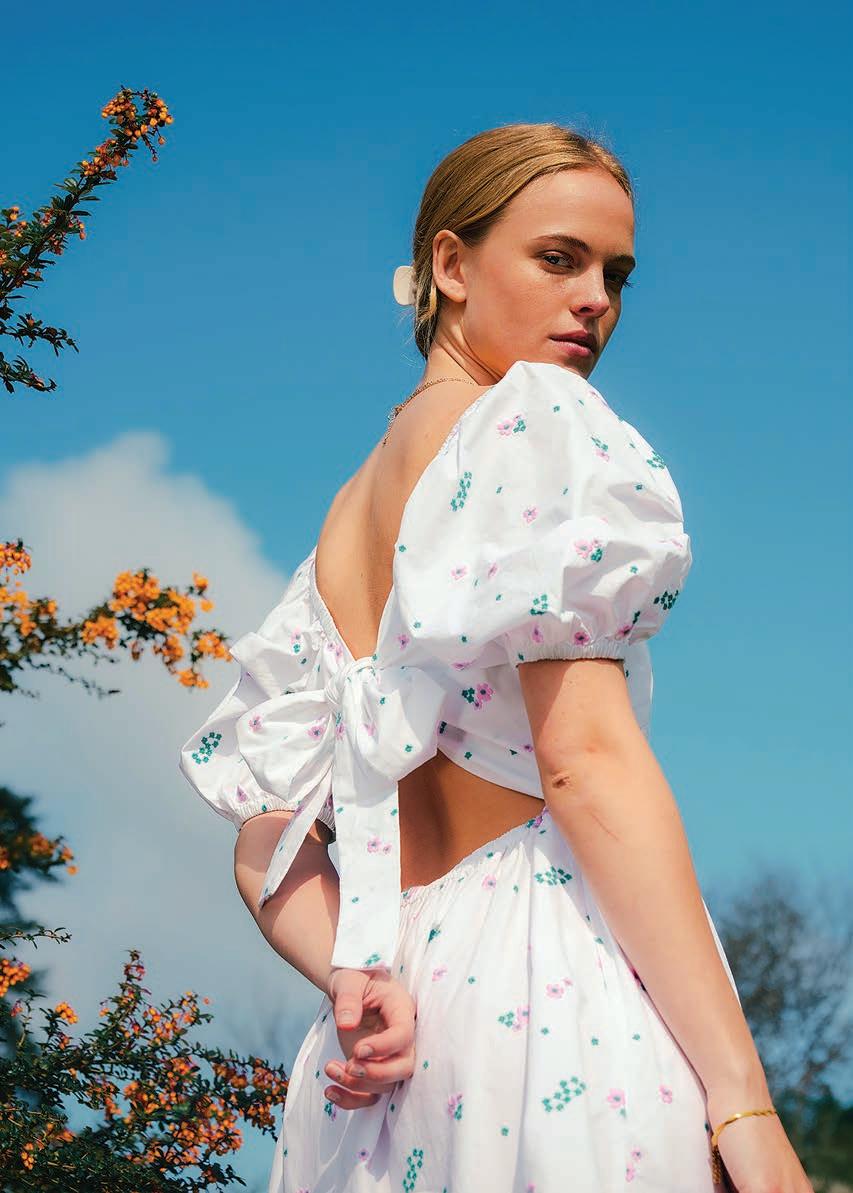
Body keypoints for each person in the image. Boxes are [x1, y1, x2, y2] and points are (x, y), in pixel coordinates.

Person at [178, 123, 813, 1192]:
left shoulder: (344, 518)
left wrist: (353, 975)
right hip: (554, 989)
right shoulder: (532, 423)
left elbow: (264, 838)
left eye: (615, 273)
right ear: (451, 265)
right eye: (558, 258)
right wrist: (743, 1101)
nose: (595, 299)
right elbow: (585, 763)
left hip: (388, 1049)